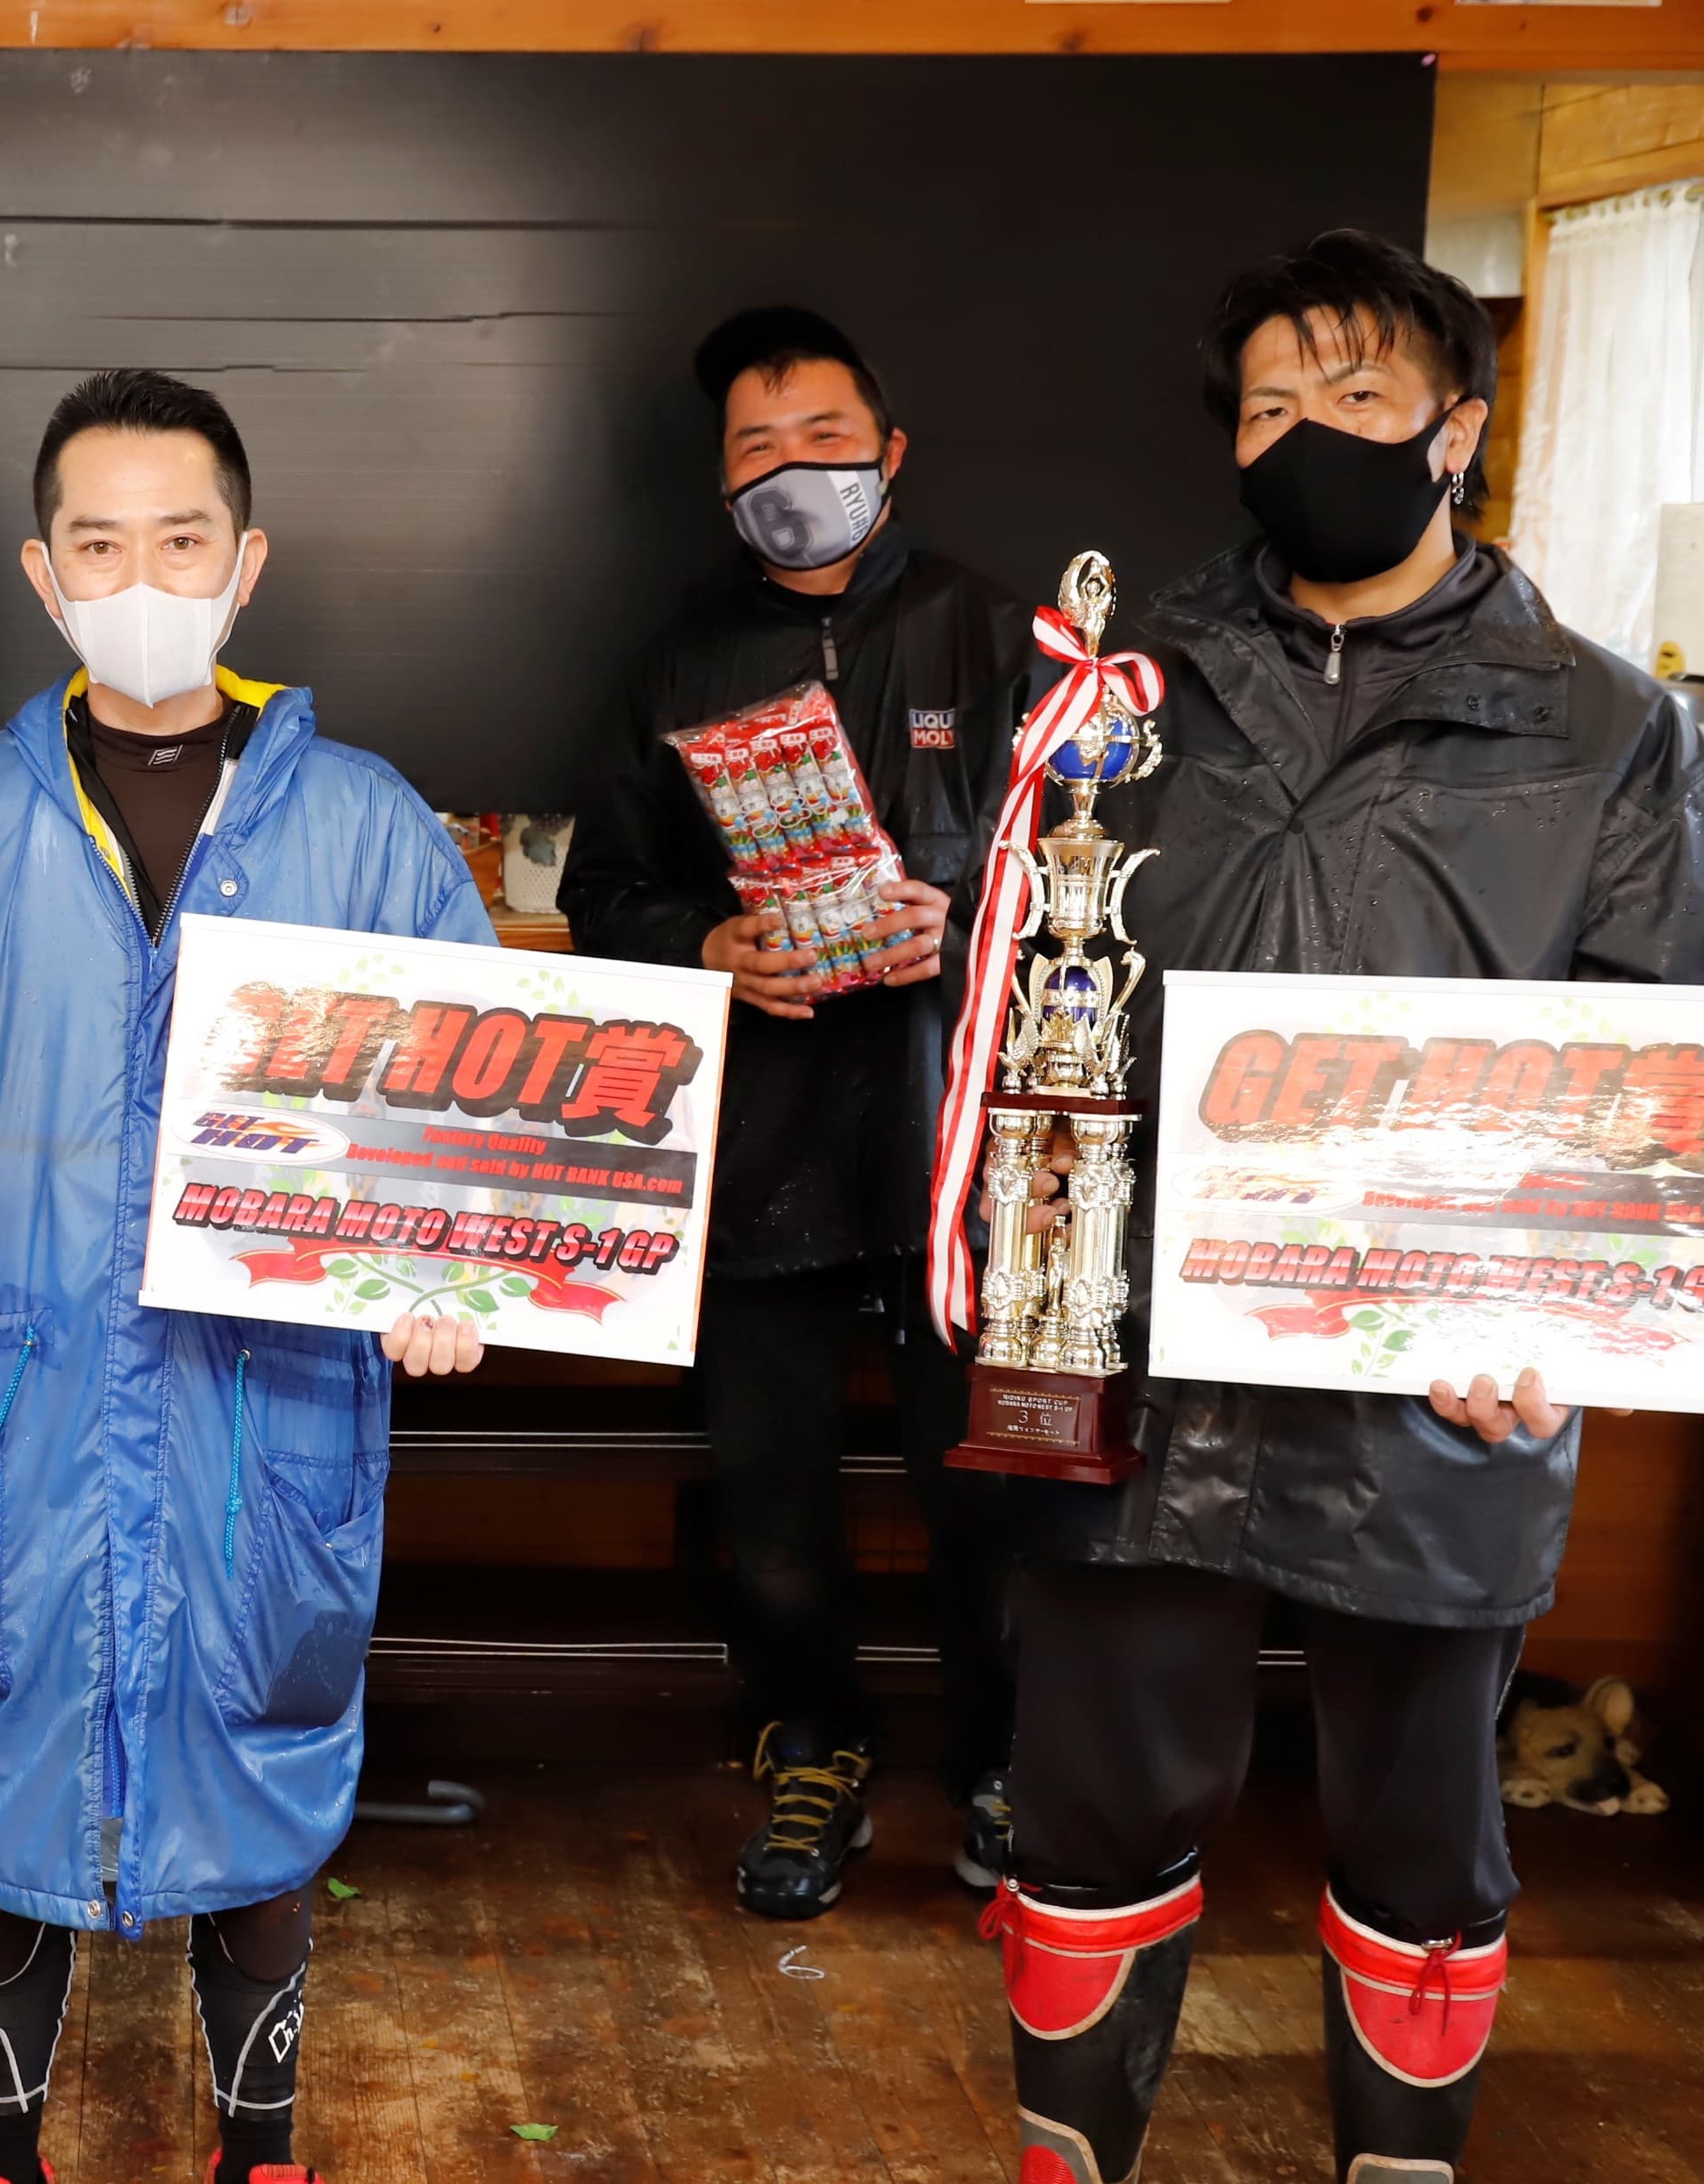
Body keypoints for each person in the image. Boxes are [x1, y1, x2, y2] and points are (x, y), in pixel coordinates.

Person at [984, 231, 1704, 2184]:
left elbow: (1649, 1057)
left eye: (1356, 394)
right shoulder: (1112, 698)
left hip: (1446, 1374)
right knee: (1091, 1808)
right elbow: (1013, 1003)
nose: (1305, 432)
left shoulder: (1603, 725)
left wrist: (1556, 1316)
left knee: (1417, 1830)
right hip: (1137, 1357)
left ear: (1454, 429)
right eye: (1266, 404)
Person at [0, 368, 492, 2184]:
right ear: (37, 572)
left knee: (260, 1741)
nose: (139, 579)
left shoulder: (367, 823)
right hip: (12, 1390)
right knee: (0, 1746)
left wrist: (445, 1272)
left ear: (246, 564)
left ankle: (261, 2153)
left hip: (267, 1400)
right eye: (98, 544)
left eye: (179, 541)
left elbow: (471, 1124)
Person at [558, 307, 1033, 1916]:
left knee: (985, 1490)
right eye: (753, 448)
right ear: (717, 481)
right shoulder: (679, 661)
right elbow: (603, 890)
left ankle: (999, 1761)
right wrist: (706, 945)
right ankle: (808, 1744)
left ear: (887, 453)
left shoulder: (1006, 638)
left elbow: (1106, 876)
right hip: (757, 1146)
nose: (790, 471)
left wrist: (962, 928)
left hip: (957, 1151)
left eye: (822, 439)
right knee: (767, 1500)